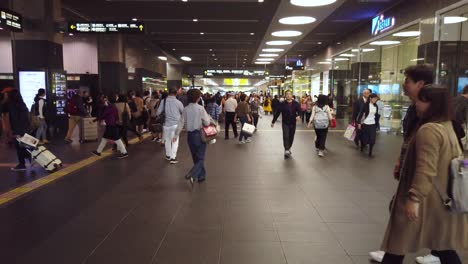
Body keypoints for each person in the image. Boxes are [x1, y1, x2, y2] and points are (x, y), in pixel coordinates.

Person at [380, 86, 468, 264]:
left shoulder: (429, 130)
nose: (416, 104)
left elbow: (425, 168)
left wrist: (414, 198)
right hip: (441, 200)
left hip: (425, 201)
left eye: (421, 100)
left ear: (432, 104)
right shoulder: (448, 126)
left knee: (397, 245)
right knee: (443, 247)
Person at [369, 64, 440, 264]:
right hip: (412, 174)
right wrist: (401, 159)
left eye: (407, 81)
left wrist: (415, 196)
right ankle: (394, 251)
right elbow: (409, 138)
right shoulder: (414, 108)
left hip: (422, 180)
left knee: (405, 216)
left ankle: (394, 252)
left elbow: (428, 156)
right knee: (401, 215)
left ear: (421, 84)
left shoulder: (432, 114)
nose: (403, 85)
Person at [174, 89, 212, 183]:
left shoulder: (186, 109)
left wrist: (176, 134)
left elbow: (181, 122)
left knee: (195, 157)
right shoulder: (200, 108)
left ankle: (201, 176)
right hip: (199, 135)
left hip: (190, 136)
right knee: (201, 158)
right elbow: (207, 122)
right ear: (198, 98)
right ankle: (192, 173)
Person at [4, 89, 31, 171]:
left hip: (18, 130)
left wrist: (17, 132)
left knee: (19, 147)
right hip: (23, 129)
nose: (5, 96)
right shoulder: (21, 104)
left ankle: (22, 164)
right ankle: (28, 158)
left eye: (6, 94)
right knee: (22, 147)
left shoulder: (13, 105)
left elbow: (16, 119)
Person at [157, 87, 184, 164]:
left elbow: (158, 112)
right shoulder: (178, 102)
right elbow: (183, 112)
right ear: (176, 93)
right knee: (175, 141)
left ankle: (168, 156)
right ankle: (173, 158)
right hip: (175, 124)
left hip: (166, 124)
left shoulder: (163, 101)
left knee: (167, 140)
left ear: (169, 92)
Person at [271, 90, 301, 158]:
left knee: (291, 136)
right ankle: (286, 149)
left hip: (293, 123)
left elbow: (299, 111)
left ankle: (289, 147)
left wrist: (299, 115)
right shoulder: (282, 104)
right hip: (285, 123)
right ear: (285, 95)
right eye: (287, 94)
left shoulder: (296, 103)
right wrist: (273, 121)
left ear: (291, 95)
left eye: (289, 94)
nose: (288, 95)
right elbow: (277, 113)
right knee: (286, 136)